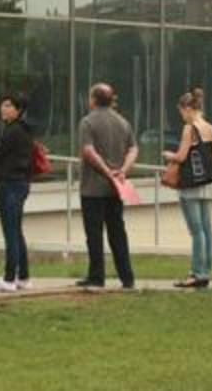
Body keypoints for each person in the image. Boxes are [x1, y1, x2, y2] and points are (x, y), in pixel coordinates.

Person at [76, 83, 138, 290]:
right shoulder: (123, 122)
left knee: (94, 233)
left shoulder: (87, 122)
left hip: (93, 188)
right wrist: (122, 171)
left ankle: (97, 276)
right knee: (117, 231)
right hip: (116, 188)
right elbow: (133, 149)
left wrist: (106, 172)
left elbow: (88, 151)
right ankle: (127, 277)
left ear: (93, 99)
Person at [162, 88, 212, 289]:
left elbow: (182, 156)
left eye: (181, 111)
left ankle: (196, 272)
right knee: (207, 229)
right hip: (206, 184)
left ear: (187, 108)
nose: (181, 116)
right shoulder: (210, 128)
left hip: (190, 185)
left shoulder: (189, 128)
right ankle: (206, 270)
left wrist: (169, 155)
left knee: (196, 230)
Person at [0, 93, 34, 293]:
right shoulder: (23, 130)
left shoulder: (13, 131)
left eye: (8, 105)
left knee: (10, 232)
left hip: (11, 185)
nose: (3, 108)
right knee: (16, 231)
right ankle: (23, 276)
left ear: (18, 109)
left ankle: (9, 279)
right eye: (2, 104)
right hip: (20, 184)